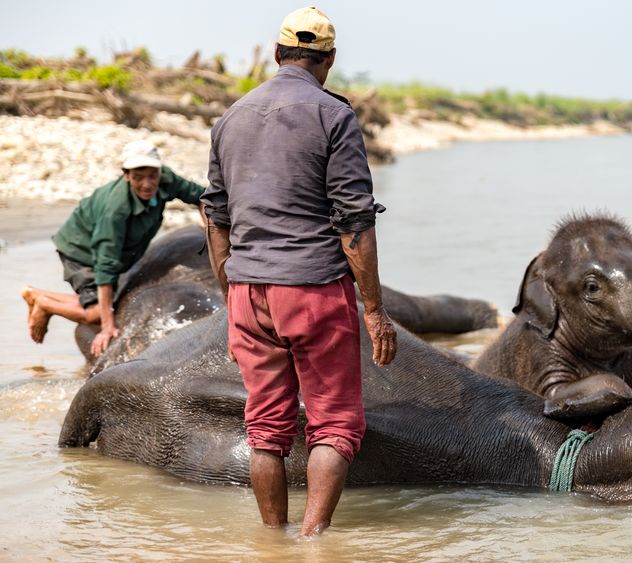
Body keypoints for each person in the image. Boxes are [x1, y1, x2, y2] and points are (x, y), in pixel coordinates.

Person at [201, 6, 397, 538]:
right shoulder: (334, 116)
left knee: (265, 427)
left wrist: (232, 292)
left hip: (248, 289)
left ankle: (272, 540)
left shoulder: (231, 117)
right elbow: (354, 222)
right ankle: (312, 543)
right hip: (313, 289)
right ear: (328, 60)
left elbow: (215, 218)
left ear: (275, 53)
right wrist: (375, 309)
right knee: (334, 423)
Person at [22, 140, 206, 355]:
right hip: (82, 251)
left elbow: (202, 197)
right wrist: (108, 327)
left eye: (152, 176)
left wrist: (211, 229)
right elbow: (105, 267)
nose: (147, 184)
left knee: (111, 302)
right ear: (126, 175)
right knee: (97, 314)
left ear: (159, 172)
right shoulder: (116, 211)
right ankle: (44, 303)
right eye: (138, 177)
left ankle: (35, 294)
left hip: (120, 252)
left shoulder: (166, 179)